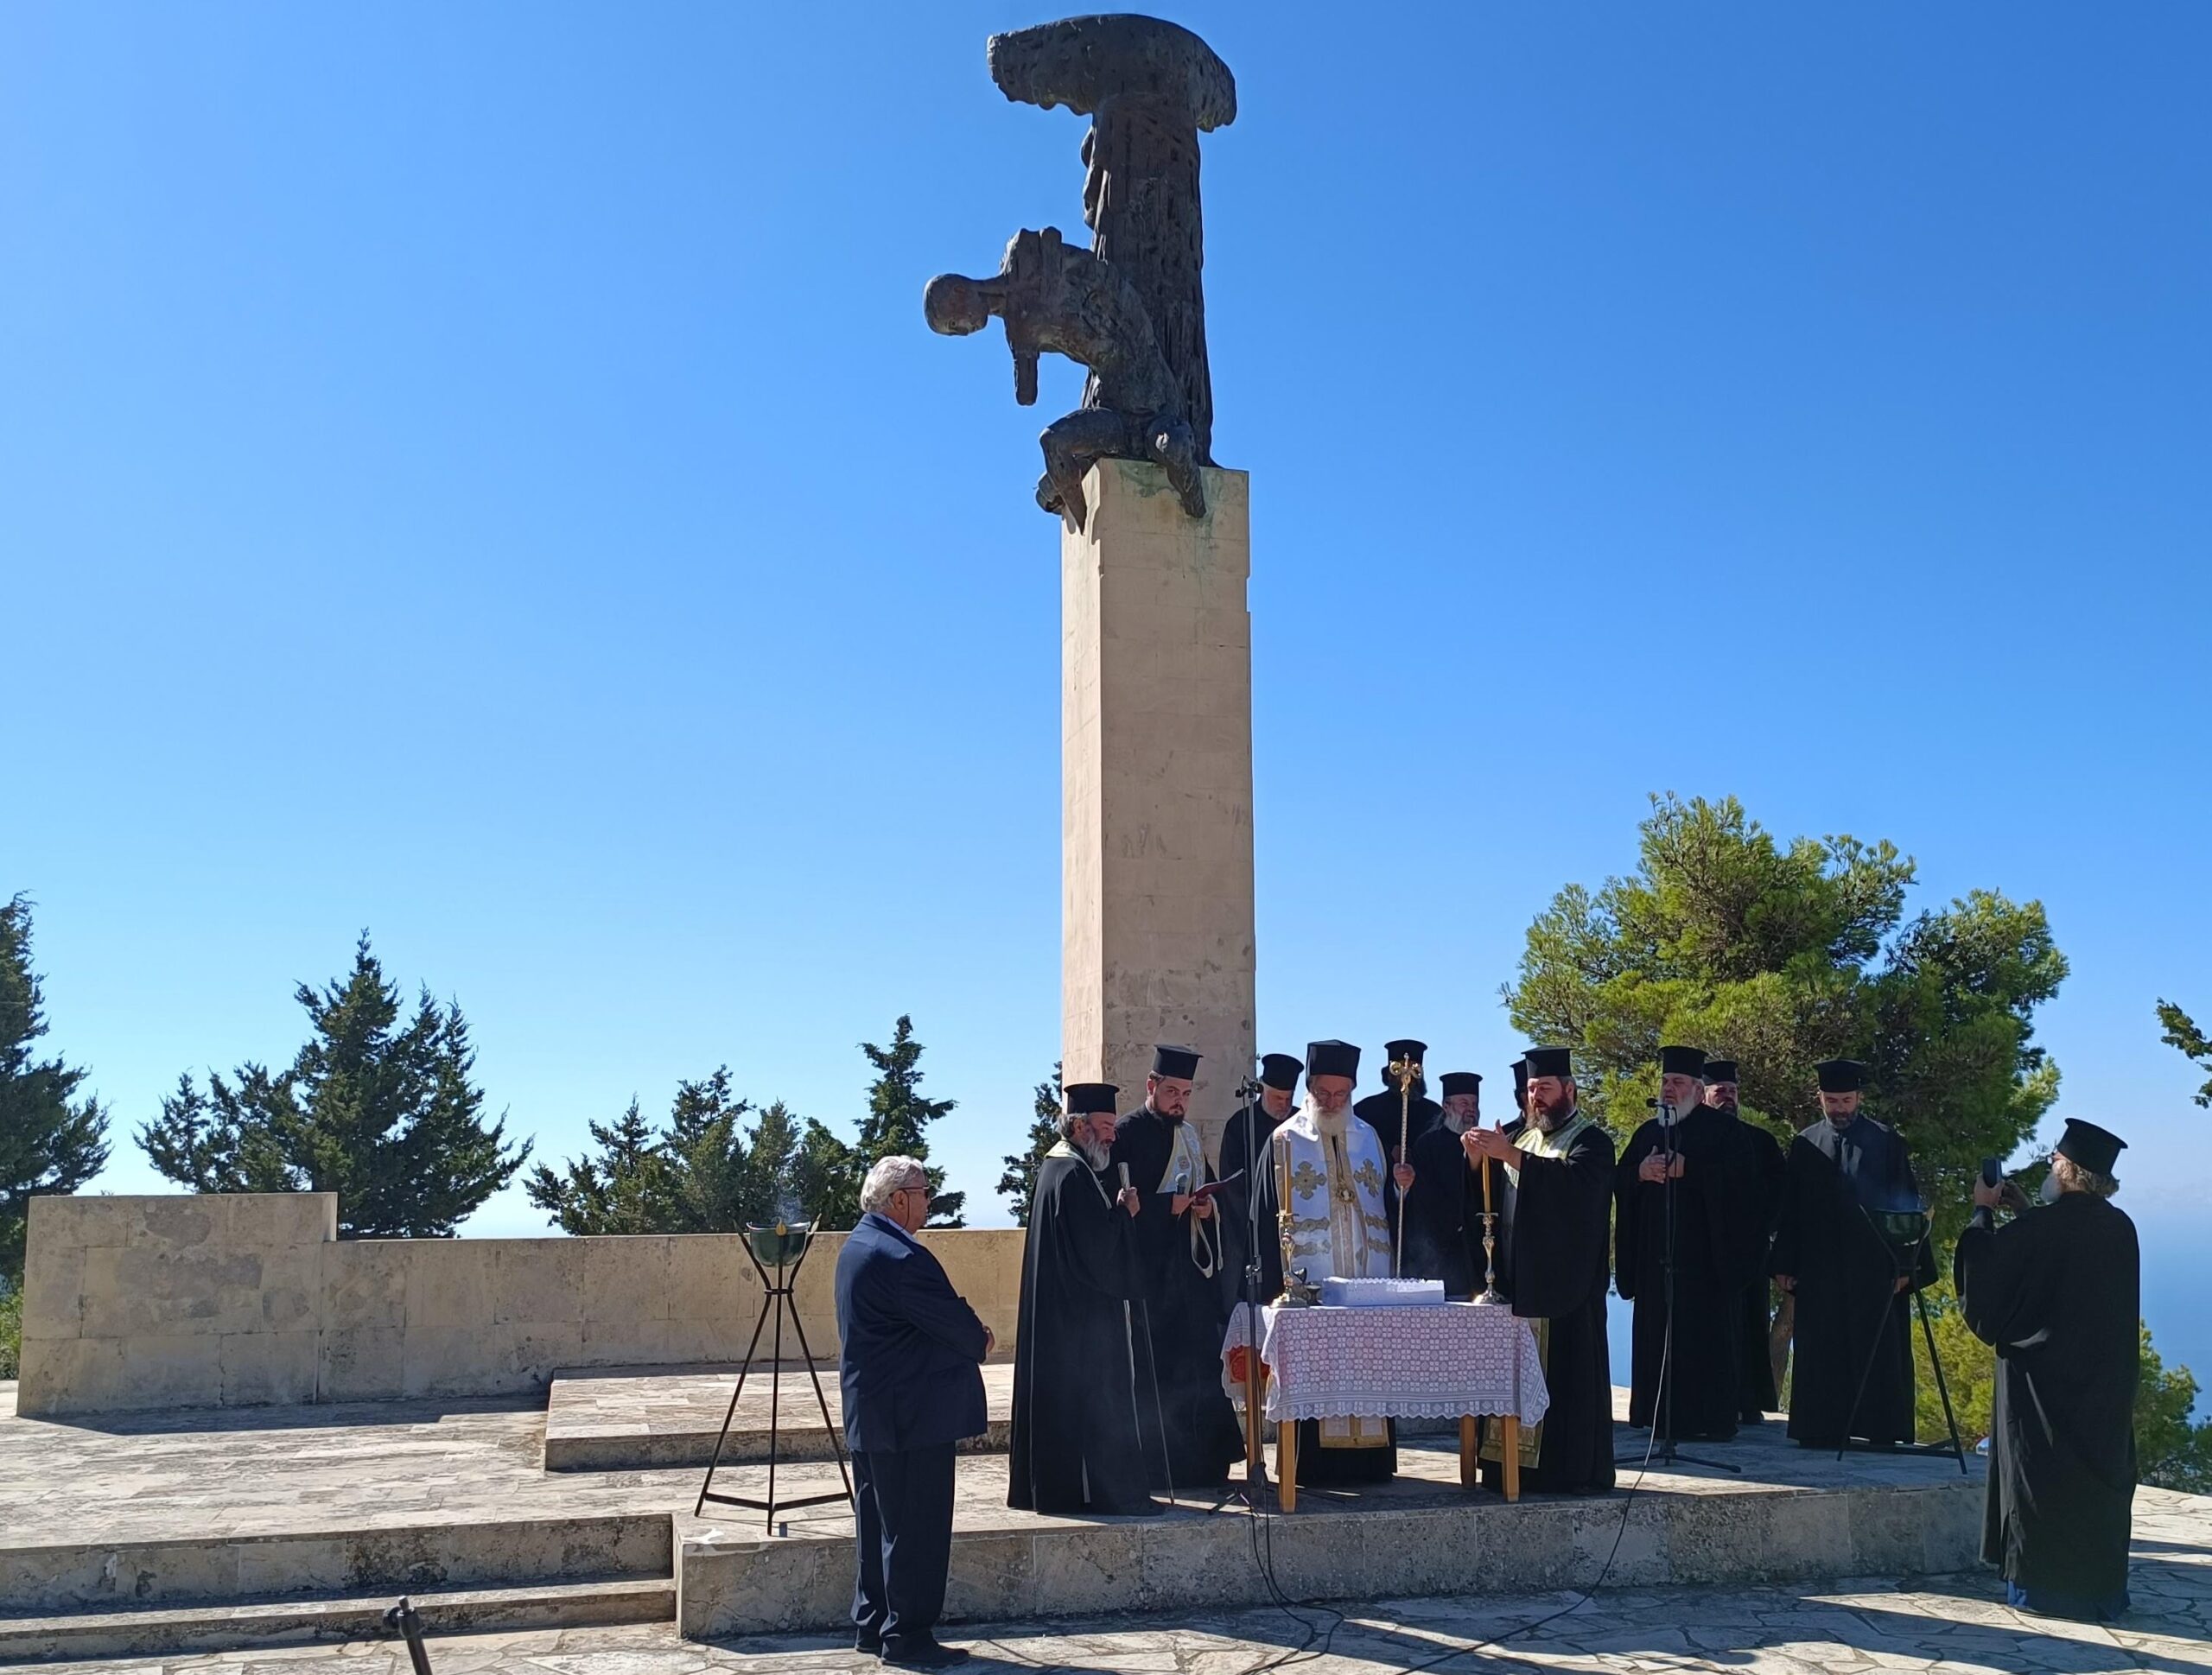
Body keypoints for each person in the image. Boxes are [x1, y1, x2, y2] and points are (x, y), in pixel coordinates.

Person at [1955, 1119, 2139, 1622]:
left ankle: (2043, 1594)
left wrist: (1982, 1212)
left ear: (2069, 1170)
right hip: (2103, 1391)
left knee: (2043, 1486)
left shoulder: (2039, 1230)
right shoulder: (2120, 1227)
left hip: (2041, 1394)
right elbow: (2069, 1264)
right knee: (2094, 1492)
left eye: (2054, 1163)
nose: (2049, 1169)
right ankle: (2101, 1594)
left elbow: (1988, 1292)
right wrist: (2028, 1214)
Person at [836, 1156, 993, 1668]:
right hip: (913, 1416)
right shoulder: (902, 1258)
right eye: (924, 1192)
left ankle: (872, 1623)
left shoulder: (857, 1245)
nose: (930, 1202)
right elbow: (959, 1330)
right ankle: (908, 1637)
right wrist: (980, 1334)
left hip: (873, 1411)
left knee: (878, 1522)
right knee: (917, 1529)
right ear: (898, 1199)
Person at [1470, 1046, 1617, 1494]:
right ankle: (1510, 1470)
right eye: (1532, 1089)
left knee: (1567, 1386)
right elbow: (1491, 1200)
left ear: (1569, 1090)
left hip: (1564, 1291)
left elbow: (1574, 1190)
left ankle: (1564, 1473)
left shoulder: (1592, 1140)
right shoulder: (1524, 1137)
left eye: (1546, 1088)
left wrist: (1508, 1156)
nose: (1537, 1097)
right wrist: (1477, 1160)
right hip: (1519, 1285)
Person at [1770, 1058, 1936, 1448]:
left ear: (1859, 1097)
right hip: (1819, 1270)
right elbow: (1790, 1209)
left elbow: (1906, 1206)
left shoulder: (1886, 1141)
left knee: (1877, 1349)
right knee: (1821, 1349)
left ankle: (1879, 1431)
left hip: (1875, 1269)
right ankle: (1820, 1430)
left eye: (1846, 1099)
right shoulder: (1805, 1144)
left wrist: (1905, 1265)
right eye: (1832, 1100)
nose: (1840, 1108)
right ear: (1820, 1099)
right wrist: (1784, 1264)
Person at [1007, 1083, 1157, 1516]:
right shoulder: (1071, 1174)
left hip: (1062, 1319)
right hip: (1081, 1325)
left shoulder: (1059, 1169)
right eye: (1106, 1127)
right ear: (1079, 1126)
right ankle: (1108, 1493)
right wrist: (1124, 1214)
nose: (1113, 1136)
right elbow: (1097, 1251)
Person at [1110, 1044, 1243, 1493]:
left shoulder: (1188, 1135)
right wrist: (1170, 1206)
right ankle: (1162, 1466)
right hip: (1152, 1278)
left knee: (1201, 1369)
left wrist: (1205, 1210)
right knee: (1159, 1372)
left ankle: (1207, 1464)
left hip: (1189, 1277)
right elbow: (1122, 1206)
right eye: (1171, 1091)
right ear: (1151, 1086)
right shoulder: (1127, 1132)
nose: (1179, 1101)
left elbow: (1206, 1191)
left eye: (1185, 1093)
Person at [1266, 1038, 1397, 1483]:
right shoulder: (1284, 1141)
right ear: (1310, 1086)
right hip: (1312, 1290)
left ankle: (1372, 1466)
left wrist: (1404, 1189)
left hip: (1367, 1289)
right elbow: (1266, 1215)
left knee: (1370, 1371)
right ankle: (1314, 1468)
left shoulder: (1369, 1138)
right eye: (1324, 1093)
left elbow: (1385, 1207)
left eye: (1342, 1094)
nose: (1333, 1102)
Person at [1615, 1045, 1747, 1441]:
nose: (1670, 1089)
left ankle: (1708, 1421)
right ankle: (1656, 1418)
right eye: (1666, 1082)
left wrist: (1691, 1170)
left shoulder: (1725, 1132)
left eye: (1679, 1083)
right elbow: (1616, 1181)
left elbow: (1742, 1189)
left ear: (1697, 1089)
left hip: (1706, 1265)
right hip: (1657, 1263)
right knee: (1658, 1342)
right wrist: (1640, 1172)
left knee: (1703, 1345)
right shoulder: (1647, 1133)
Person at [1702, 1058, 1787, 1423]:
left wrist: (1755, 1230)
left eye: (1733, 1092)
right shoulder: (1692, 1136)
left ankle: (1748, 1401)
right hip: (1702, 1256)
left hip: (1747, 1252)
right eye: (1721, 1091)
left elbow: (1779, 1195)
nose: (1728, 1098)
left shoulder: (1760, 1141)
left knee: (1748, 1325)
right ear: (1704, 1094)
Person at [1219, 1052, 1301, 1306]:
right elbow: (1231, 1182)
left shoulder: (1301, 1124)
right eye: (1277, 1098)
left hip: (1297, 1232)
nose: (1283, 1105)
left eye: (1288, 1099)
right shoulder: (1241, 1124)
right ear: (1262, 1091)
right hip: (1254, 1232)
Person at [1401, 1070, 1484, 1295]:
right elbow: (1423, 1200)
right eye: (1464, 1103)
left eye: (1474, 1103)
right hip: (1438, 1255)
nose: (1471, 1110)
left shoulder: (1486, 1145)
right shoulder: (1428, 1145)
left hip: (1475, 1251)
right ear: (1446, 1106)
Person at [1356, 1036, 1441, 1166]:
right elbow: (1357, 1146)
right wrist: (1388, 1151)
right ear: (1390, 1073)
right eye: (1400, 1069)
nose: (1407, 1076)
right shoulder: (1366, 1109)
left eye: (1414, 1069)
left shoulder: (1436, 1113)